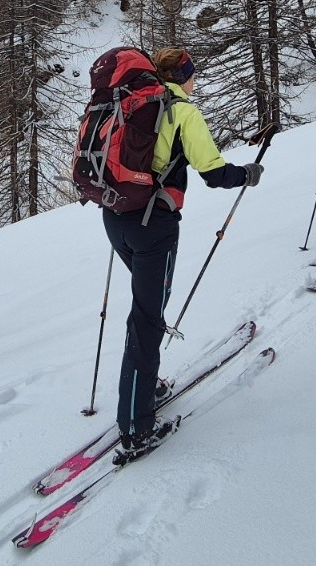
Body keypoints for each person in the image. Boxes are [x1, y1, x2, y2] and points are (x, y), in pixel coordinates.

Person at [100, 47, 261, 462]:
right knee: (147, 321)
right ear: (184, 76)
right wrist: (246, 174)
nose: (195, 82)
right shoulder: (181, 111)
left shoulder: (129, 102)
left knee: (146, 310)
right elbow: (213, 172)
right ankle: (136, 430)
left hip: (115, 218)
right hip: (154, 225)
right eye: (193, 76)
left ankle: (145, 382)